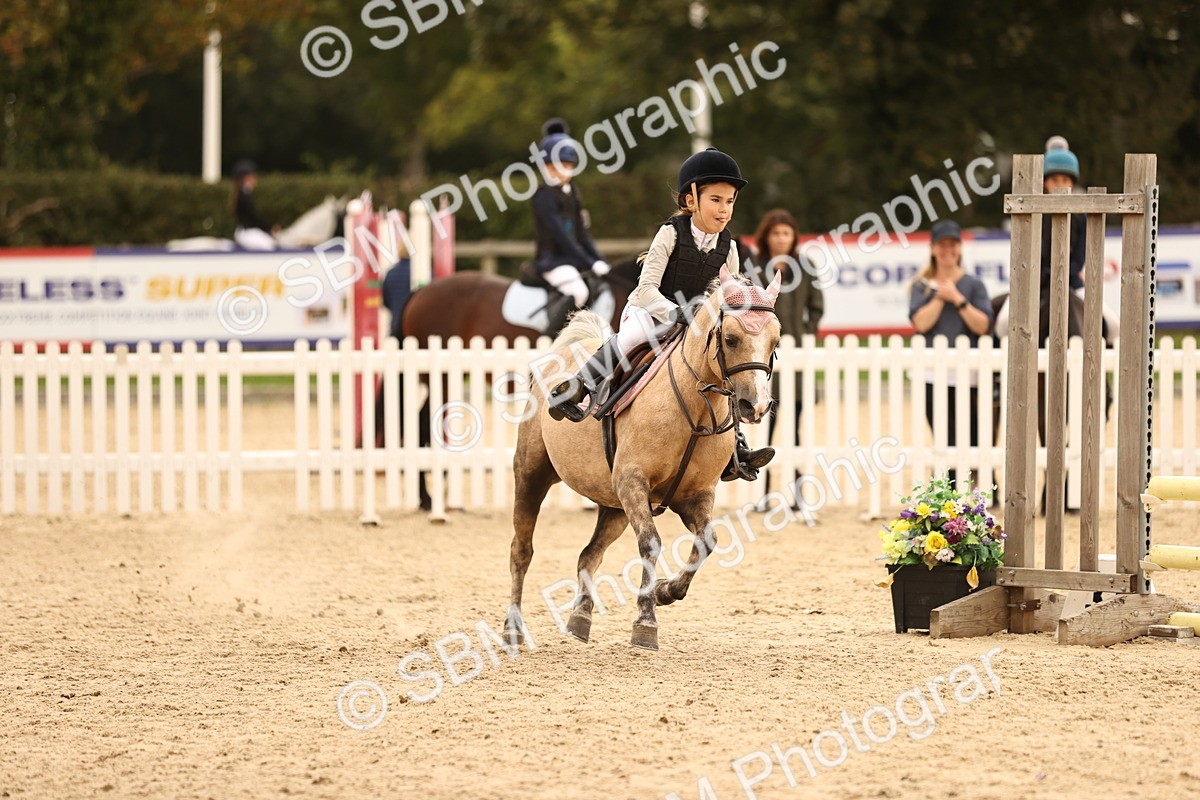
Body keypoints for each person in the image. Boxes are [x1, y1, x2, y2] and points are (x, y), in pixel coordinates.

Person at [546, 147, 774, 482]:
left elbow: (730, 299)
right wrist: (677, 312)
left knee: (723, 366)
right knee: (631, 339)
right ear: (691, 200)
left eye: (729, 202)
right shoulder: (670, 233)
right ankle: (577, 386)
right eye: (715, 200)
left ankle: (736, 446)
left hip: (695, 324)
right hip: (649, 312)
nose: (724, 210)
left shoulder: (731, 247)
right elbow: (645, 289)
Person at [908, 220, 993, 488]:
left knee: (970, 433)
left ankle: (978, 485)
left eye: (952, 244)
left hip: (968, 375)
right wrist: (939, 297)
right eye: (942, 244)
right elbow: (921, 323)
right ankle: (947, 488)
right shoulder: (921, 286)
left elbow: (982, 325)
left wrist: (958, 299)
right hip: (932, 374)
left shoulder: (974, 285)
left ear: (959, 248)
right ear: (933, 248)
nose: (948, 250)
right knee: (942, 435)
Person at [747, 209, 823, 508]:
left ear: (794, 237)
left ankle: (797, 495)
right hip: (760, 359)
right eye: (776, 233)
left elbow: (816, 307)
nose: (781, 238)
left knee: (794, 430)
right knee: (764, 431)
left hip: (797, 357)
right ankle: (762, 495)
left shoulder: (805, 266)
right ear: (766, 236)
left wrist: (806, 333)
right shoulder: (754, 266)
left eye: (786, 233)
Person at [530, 119, 609, 334]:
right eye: (556, 166)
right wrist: (588, 262)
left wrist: (598, 260)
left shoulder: (573, 192)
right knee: (578, 292)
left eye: (567, 166)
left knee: (600, 287)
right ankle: (549, 339)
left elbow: (582, 234)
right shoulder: (544, 195)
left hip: (571, 260)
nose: (562, 171)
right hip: (552, 260)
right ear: (546, 166)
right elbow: (560, 235)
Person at [1041, 137, 1087, 291]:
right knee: (1003, 316)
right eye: (1054, 180)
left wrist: (1064, 273)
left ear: (1072, 183)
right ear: (1045, 182)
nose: (1060, 185)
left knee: (1108, 316)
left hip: (1071, 282)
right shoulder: (1035, 213)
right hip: (1037, 282)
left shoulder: (1080, 216)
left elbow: (1080, 255)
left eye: (1065, 180)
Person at [231, 159, 279, 251]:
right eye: (253, 176)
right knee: (269, 247)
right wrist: (270, 228)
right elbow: (253, 216)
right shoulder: (243, 195)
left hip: (249, 231)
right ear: (246, 177)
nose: (255, 179)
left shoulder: (245, 194)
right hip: (247, 232)